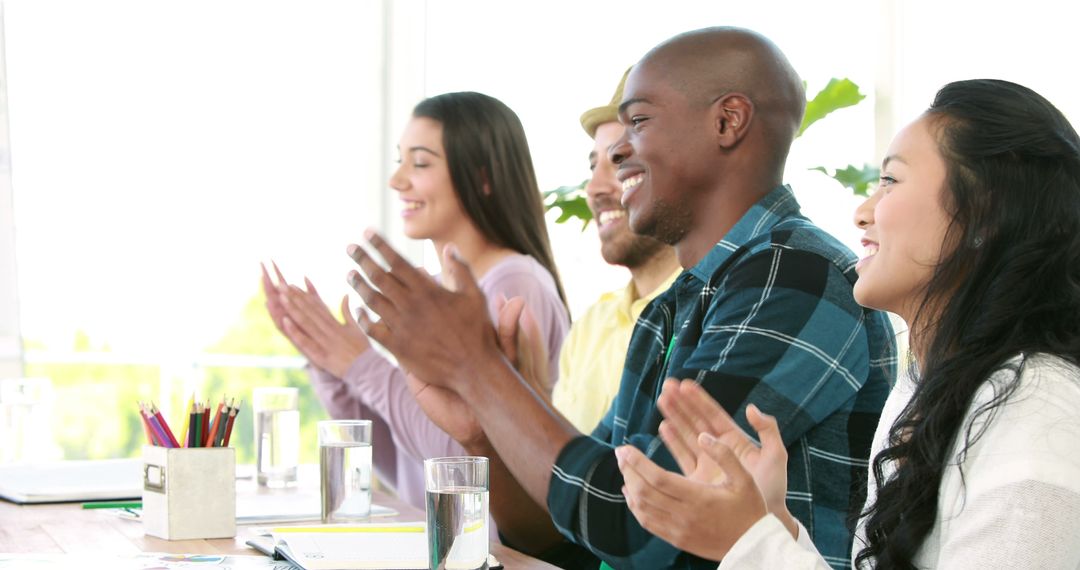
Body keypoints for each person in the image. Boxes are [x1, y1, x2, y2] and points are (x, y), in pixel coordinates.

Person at [344, 26, 895, 569]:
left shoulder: (798, 275)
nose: (620, 151)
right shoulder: (669, 309)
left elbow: (639, 523)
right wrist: (479, 429)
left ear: (727, 122)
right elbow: (568, 534)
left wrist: (480, 369)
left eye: (638, 122)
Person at [616, 79, 1080, 569]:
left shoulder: (1036, 411)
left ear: (983, 210)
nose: (862, 214)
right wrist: (775, 525)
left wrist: (751, 542)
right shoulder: (926, 390)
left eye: (891, 181)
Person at [260, 91, 571, 518]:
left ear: (482, 178)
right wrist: (329, 361)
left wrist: (361, 366)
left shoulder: (512, 282)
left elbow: (463, 462)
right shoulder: (444, 291)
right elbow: (404, 464)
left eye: (420, 163)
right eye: (399, 160)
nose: (397, 180)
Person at [553, 69, 682, 433]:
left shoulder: (702, 312)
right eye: (593, 166)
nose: (594, 188)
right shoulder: (591, 324)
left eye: (620, 161)